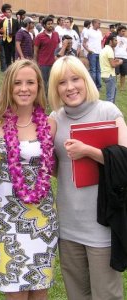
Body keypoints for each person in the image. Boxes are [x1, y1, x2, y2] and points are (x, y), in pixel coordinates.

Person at [48, 55, 127, 300]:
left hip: (101, 224)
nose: (70, 87)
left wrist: (88, 152)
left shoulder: (107, 111)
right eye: (62, 82)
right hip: (69, 224)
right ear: (55, 88)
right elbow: (54, 168)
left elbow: (125, 160)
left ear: (86, 80)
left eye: (76, 79)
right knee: (77, 294)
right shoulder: (54, 119)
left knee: (106, 295)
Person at [0, 59, 58, 300]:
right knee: (14, 292)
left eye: (30, 82)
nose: (24, 88)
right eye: (17, 83)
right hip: (4, 220)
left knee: (40, 291)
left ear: (39, 86)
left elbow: (58, 166)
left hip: (41, 219)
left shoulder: (50, 125)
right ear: (8, 86)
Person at [34, 16, 60, 93]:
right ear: (44, 25)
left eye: (52, 23)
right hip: (43, 64)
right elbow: (35, 51)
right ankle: (44, 99)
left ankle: (51, 98)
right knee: (44, 83)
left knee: (53, 82)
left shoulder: (56, 34)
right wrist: (35, 63)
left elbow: (58, 46)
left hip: (54, 63)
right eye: (48, 24)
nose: (51, 25)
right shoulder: (39, 37)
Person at [99, 34, 123, 103]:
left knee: (113, 94)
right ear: (110, 41)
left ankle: (112, 110)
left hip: (105, 74)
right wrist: (120, 62)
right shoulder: (109, 50)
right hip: (109, 75)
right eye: (115, 40)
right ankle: (108, 112)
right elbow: (113, 65)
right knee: (110, 97)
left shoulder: (104, 49)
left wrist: (115, 60)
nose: (117, 42)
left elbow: (108, 62)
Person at [82, 19, 103, 90]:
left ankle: (98, 86)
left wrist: (102, 50)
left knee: (98, 70)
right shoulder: (88, 31)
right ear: (93, 23)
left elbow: (101, 42)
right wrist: (89, 51)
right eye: (98, 23)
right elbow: (84, 43)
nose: (100, 25)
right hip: (92, 53)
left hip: (99, 53)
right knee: (93, 70)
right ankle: (93, 85)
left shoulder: (99, 32)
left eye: (100, 23)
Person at [0, 3, 12, 72]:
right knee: (3, 53)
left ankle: (6, 67)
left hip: (5, 37)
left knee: (5, 52)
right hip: (1, 37)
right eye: (9, 9)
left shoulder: (5, 17)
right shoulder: (1, 17)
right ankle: (4, 68)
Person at [115, 25, 127, 91]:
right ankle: (114, 86)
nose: (124, 33)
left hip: (125, 57)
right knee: (116, 73)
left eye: (125, 31)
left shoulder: (126, 39)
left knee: (123, 74)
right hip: (117, 57)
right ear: (119, 31)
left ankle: (122, 87)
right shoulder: (115, 37)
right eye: (122, 31)